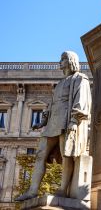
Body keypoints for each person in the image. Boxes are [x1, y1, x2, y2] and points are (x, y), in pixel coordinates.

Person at [15, 51, 91, 201]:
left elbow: (81, 101)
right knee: (40, 155)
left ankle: (62, 189)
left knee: (66, 154)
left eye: (63, 59)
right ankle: (33, 190)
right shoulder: (60, 83)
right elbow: (51, 105)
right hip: (52, 124)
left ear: (70, 61)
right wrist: (43, 121)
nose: (59, 61)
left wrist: (74, 121)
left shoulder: (80, 79)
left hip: (67, 122)